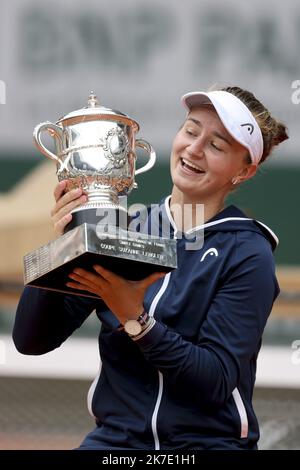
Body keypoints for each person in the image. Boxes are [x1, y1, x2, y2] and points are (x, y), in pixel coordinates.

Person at [13, 86, 288, 450]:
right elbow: (32, 340)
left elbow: (215, 381)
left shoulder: (247, 252)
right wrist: (64, 241)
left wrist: (136, 320)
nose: (194, 149)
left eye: (217, 145)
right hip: (116, 445)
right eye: (191, 131)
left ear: (244, 171)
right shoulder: (121, 230)